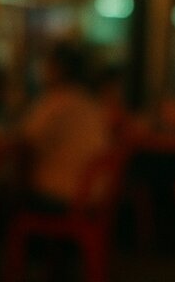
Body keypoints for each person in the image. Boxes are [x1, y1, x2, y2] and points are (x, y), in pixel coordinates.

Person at [16, 40, 112, 210]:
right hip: (95, 192)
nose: (43, 70)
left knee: (4, 190)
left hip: (66, 193)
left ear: (59, 69)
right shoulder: (89, 102)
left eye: (48, 64)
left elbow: (25, 138)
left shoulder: (57, 101)